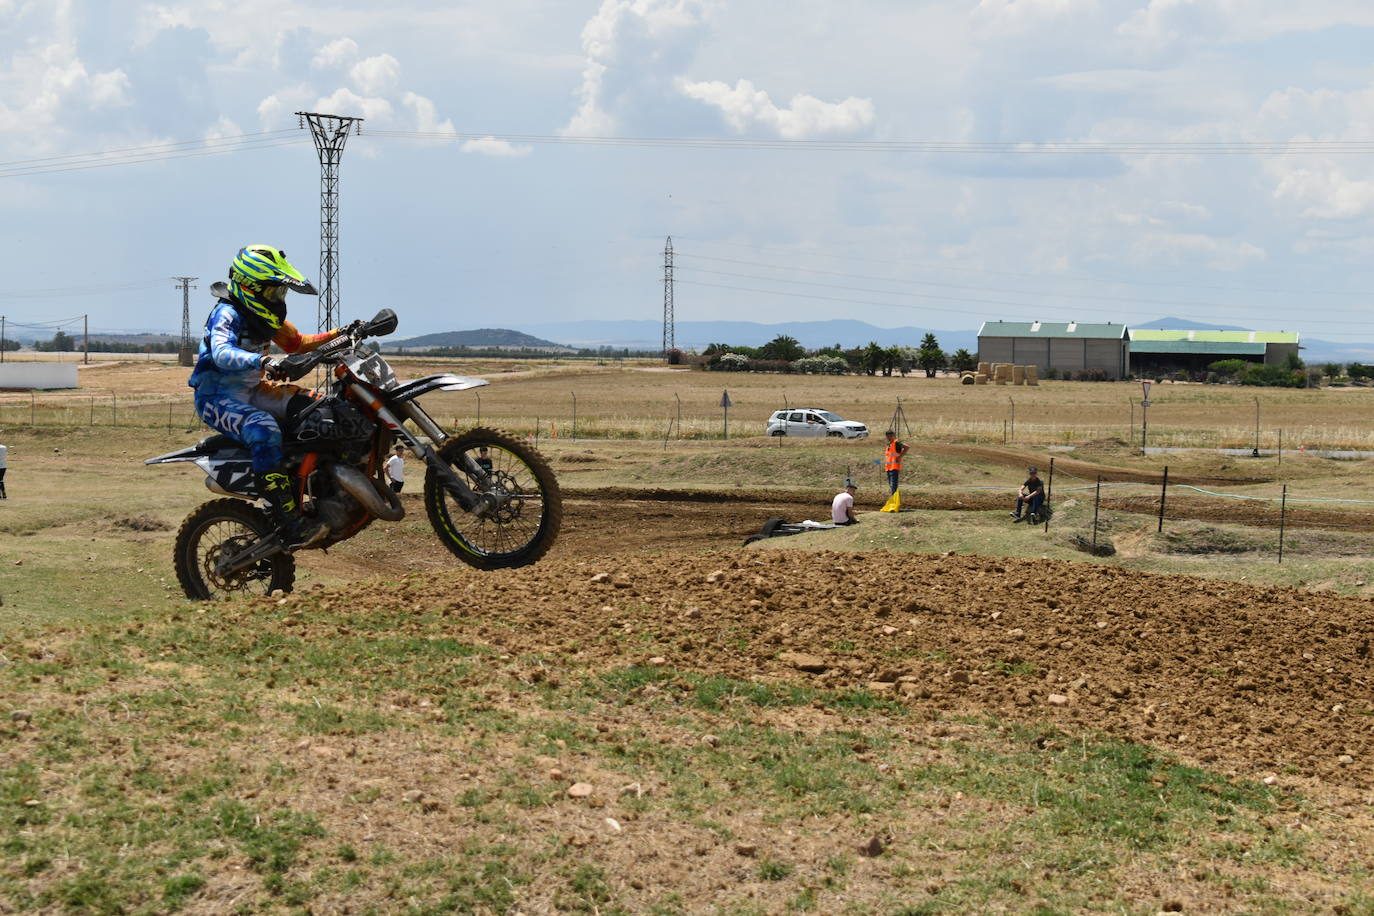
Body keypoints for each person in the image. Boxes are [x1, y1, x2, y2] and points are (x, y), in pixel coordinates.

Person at [188, 244, 355, 547]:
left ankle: (326, 488)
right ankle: (287, 520)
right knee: (263, 428)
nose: (279, 298)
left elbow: (297, 342)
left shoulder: (262, 316)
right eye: (274, 292)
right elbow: (223, 352)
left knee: (322, 409)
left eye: (281, 292)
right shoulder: (227, 313)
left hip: (254, 389)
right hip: (216, 397)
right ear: (251, 286)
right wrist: (263, 361)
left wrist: (344, 333)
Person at [882, 430, 909, 495]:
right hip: (888, 468)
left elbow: (907, 447)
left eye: (891, 436)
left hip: (894, 468)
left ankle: (894, 500)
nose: (889, 437)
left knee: (893, 486)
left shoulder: (896, 443)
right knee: (891, 486)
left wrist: (900, 457)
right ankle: (893, 500)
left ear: (894, 436)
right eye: (888, 436)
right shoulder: (889, 444)